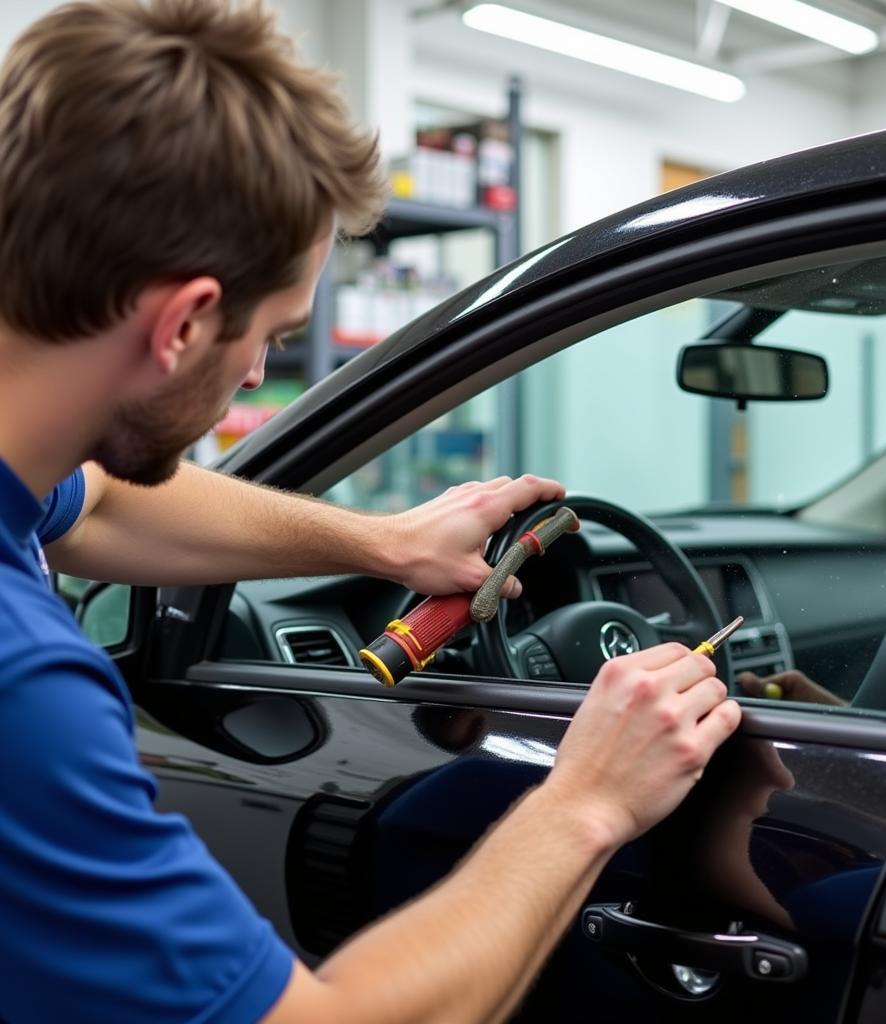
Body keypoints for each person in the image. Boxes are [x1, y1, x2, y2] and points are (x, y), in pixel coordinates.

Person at [0, 2, 742, 1022]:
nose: (257, 371)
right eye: (269, 334)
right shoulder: (28, 689)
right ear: (182, 322)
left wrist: (385, 540)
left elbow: (96, 506)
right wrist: (588, 800)